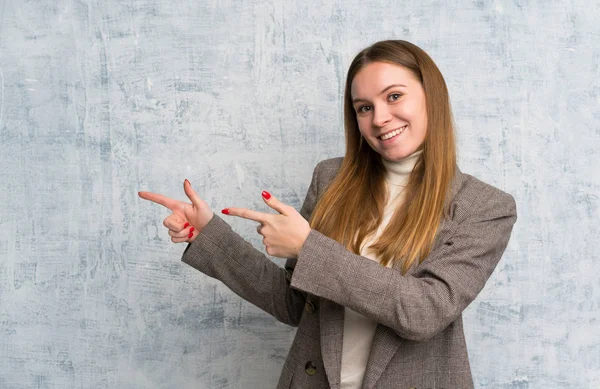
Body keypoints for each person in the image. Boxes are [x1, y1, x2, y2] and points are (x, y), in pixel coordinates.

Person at [139, 40, 517, 389]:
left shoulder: (485, 207)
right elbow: (293, 303)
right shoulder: (330, 178)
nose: (380, 118)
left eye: (394, 96)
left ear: (431, 97)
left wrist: (308, 247)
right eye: (364, 108)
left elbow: (423, 311)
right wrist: (209, 234)